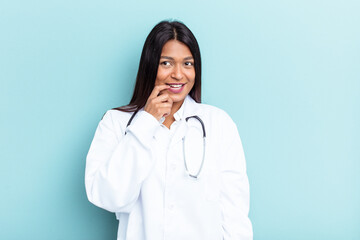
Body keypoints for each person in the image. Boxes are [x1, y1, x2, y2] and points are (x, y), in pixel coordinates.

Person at [85, 20, 253, 240]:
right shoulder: (116, 122)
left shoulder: (218, 124)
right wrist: (146, 122)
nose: (178, 74)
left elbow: (234, 213)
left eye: (187, 64)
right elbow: (109, 197)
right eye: (166, 63)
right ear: (150, 65)